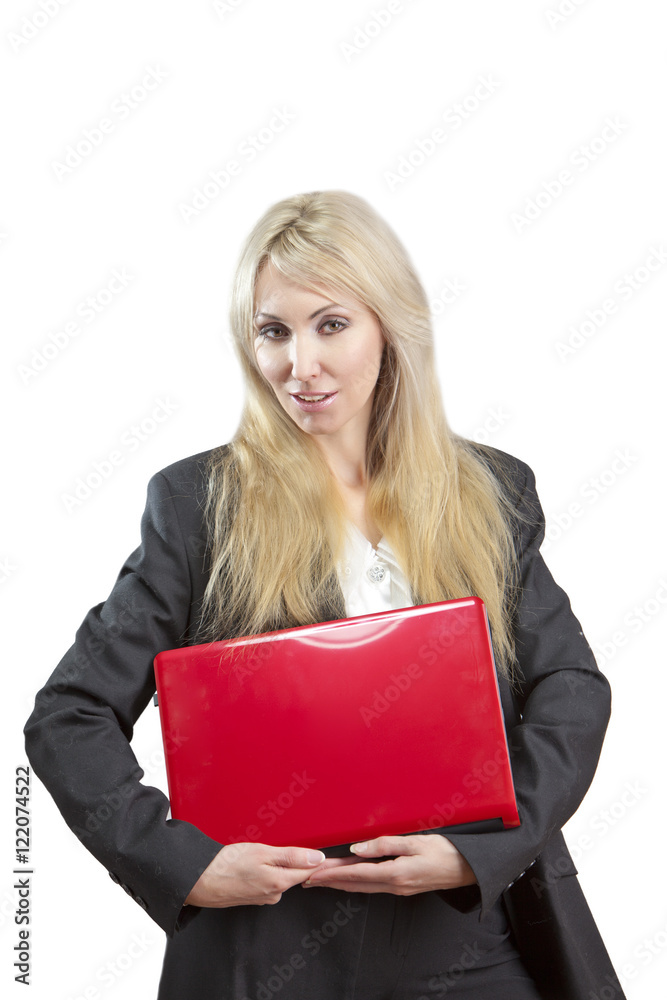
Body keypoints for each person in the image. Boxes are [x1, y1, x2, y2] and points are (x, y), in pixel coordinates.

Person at [25, 190, 625, 1000]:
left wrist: (476, 849)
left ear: (390, 325)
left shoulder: (488, 490)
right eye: (273, 331)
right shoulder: (200, 503)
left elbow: (571, 690)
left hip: (467, 935)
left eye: (330, 325)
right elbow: (70, 715)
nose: (298, 365)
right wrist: (186, 863)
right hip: (277, 945)